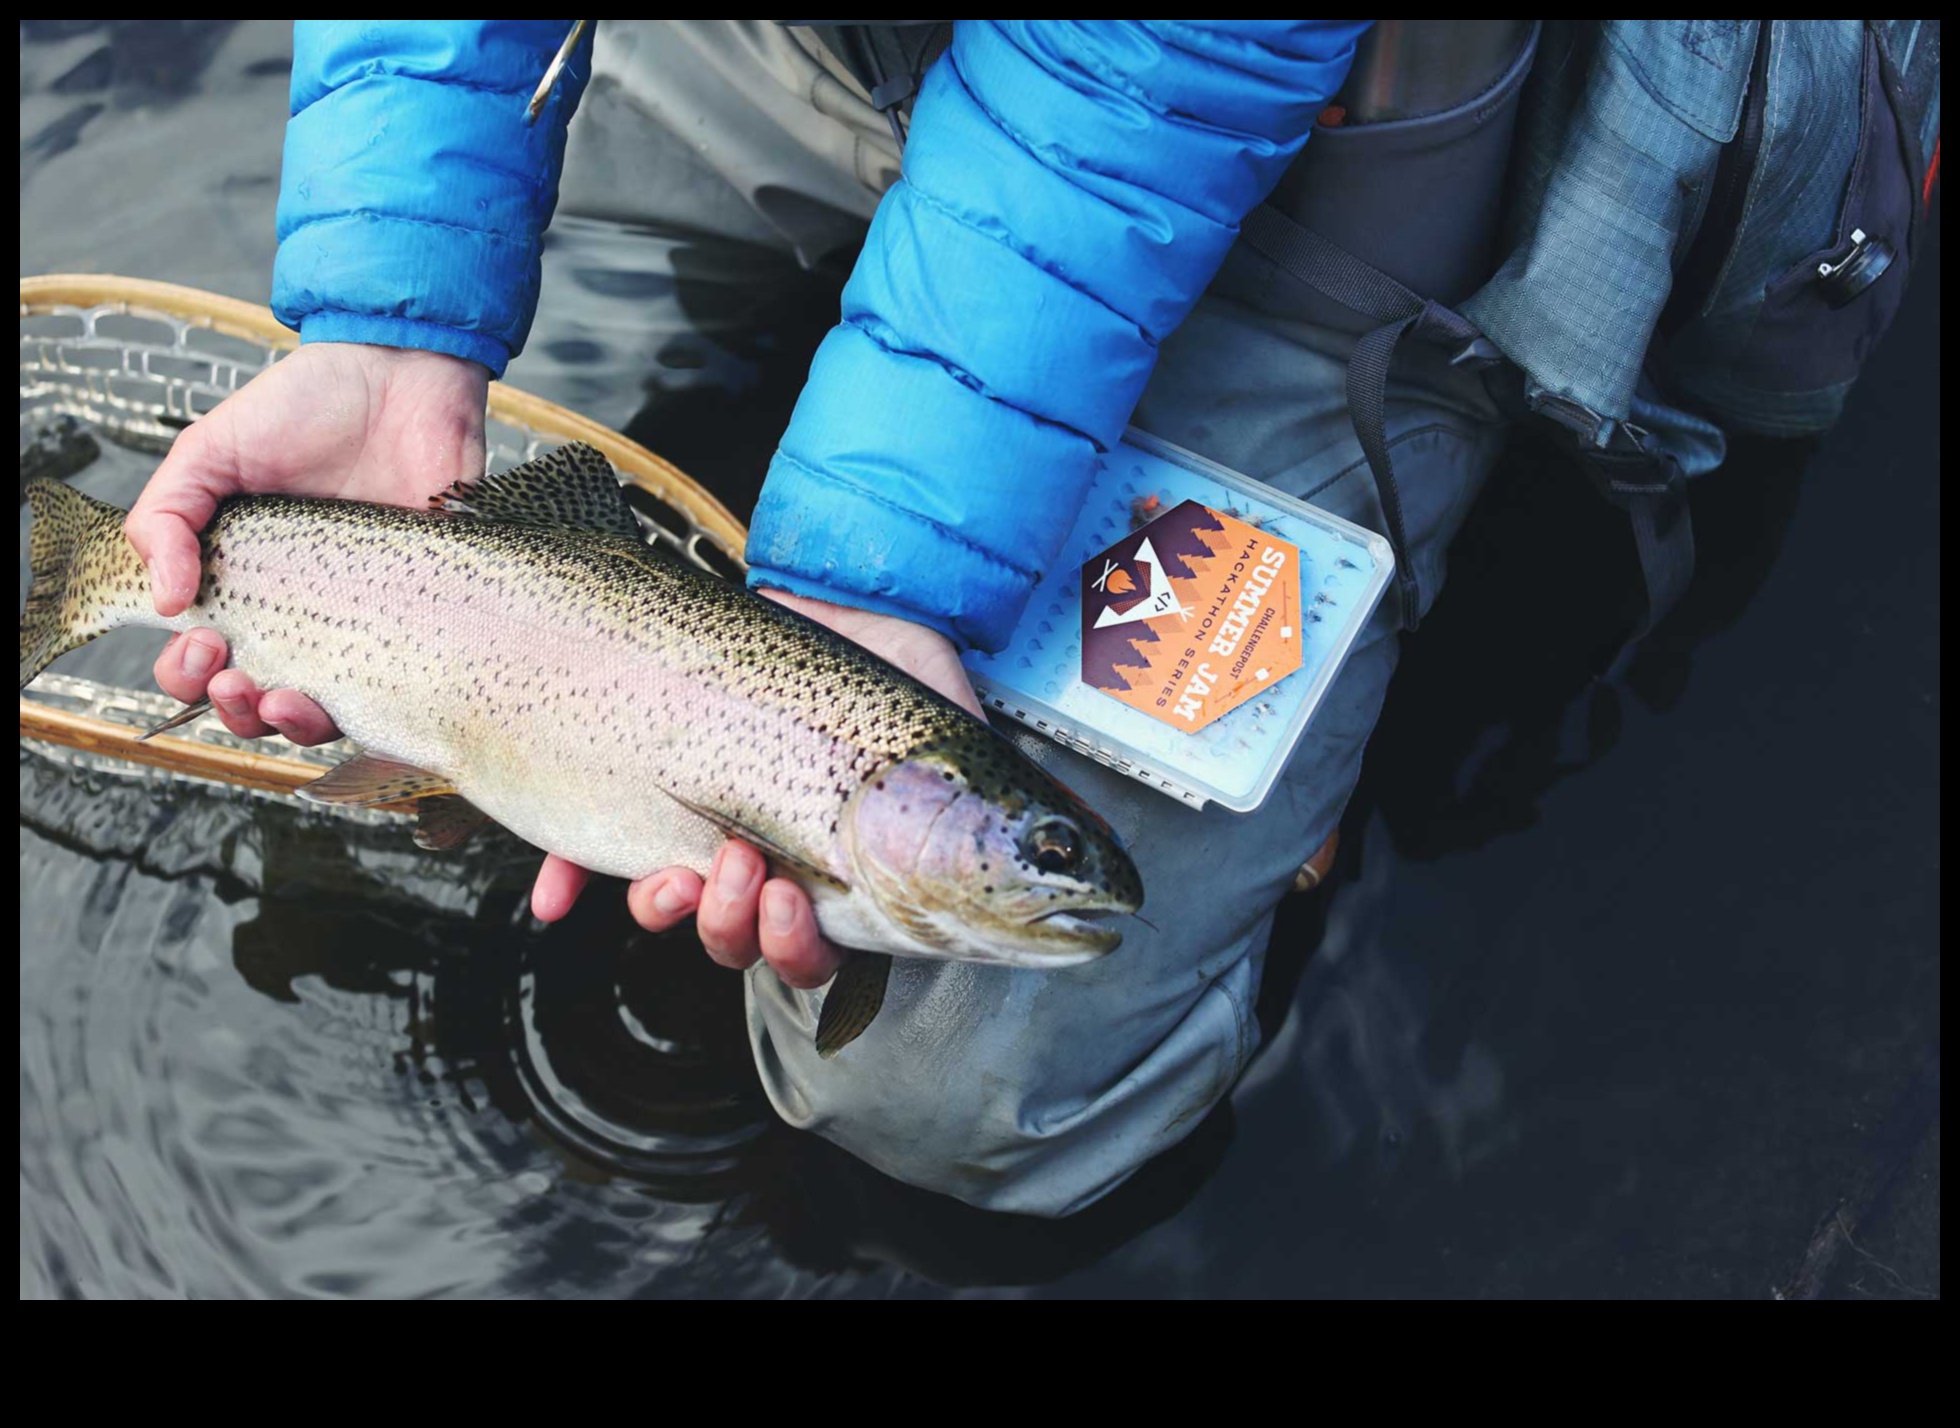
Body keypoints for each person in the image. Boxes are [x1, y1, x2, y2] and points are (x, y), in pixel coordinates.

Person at [119, 20, 1928, 1216]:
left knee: (970, 1096)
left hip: (1289, 151)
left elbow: (1122, 108)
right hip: (862, 49)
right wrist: (390, 313)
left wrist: (863, 597)